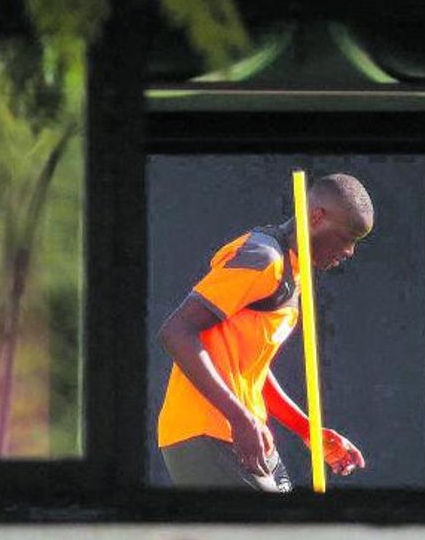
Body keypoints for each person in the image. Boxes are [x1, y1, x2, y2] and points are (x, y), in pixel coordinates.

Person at [156, 173, 374, 491]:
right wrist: (240, 418)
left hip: (245, 433)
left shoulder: (292, 269)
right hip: (205, 432)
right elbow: (176, 332)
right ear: (316, 217)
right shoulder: (262, 260)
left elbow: (248, 364)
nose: (350, 251)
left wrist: (309, 431)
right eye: (347, 236)